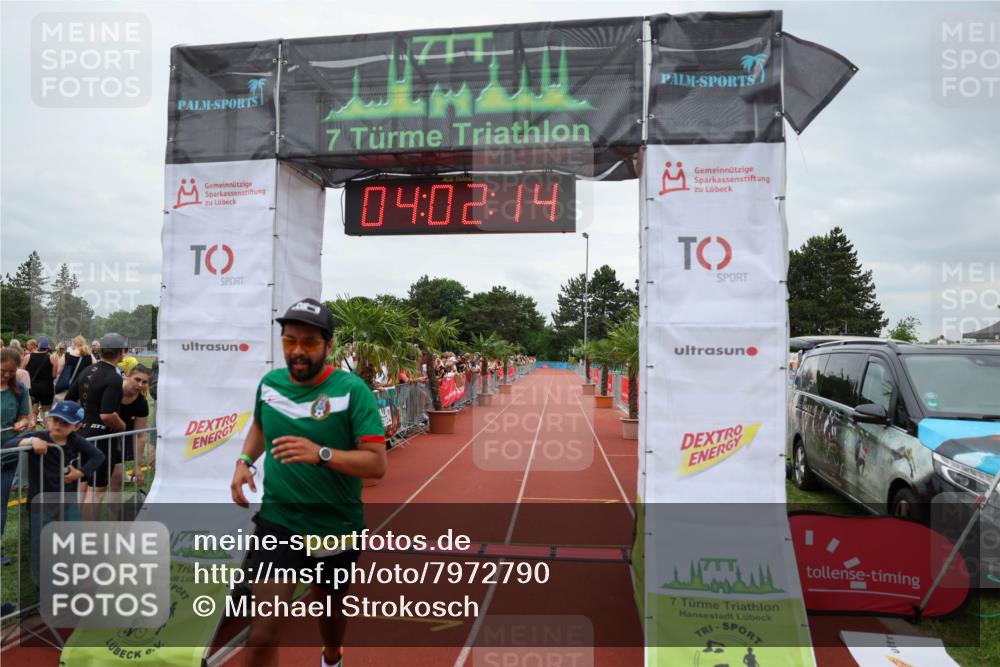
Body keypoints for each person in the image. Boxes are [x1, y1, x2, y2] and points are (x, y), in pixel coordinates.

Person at [231, 297, 386, 667]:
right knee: (262, 632)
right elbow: (260, 425)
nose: (297, 351)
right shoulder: (269, 384)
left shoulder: (352, 392)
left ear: (328, 345)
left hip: (336, 525)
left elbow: (377, 464)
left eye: (309, 342)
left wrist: (321, 453)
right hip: (279, 521)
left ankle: (332, 656)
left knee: (330, 611)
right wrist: (244, 461)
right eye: (290, 341)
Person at [5, 400, 105, 585]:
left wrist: (80, 472)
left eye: (65, 422)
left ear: (76, 426)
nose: (59, 425)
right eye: (56, 420)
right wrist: (30, 440)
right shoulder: (39, 436)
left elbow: (98, 456)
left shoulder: (76, 441)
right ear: (48, 420)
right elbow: (8, 445)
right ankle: (41, 588)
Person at [66, 332, 127, 515]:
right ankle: (87, 537)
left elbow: (68, 401)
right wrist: (123, 427)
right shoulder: (114, 377)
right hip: (101, 440)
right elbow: (107, 415)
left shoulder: (87, 370)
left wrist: (81, 421)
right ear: (122, 353)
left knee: (83, 487)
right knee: (96, 492)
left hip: (81, 436)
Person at [1, 348, 33, 574]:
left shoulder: (19, 390)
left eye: (11, 372)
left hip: (7, 455)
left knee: (1, 505)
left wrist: (23, 423)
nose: (6, 375)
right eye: (3, 371)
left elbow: (25, 416)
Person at [117, 365, 150, 488]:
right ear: (127, 377)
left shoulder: (142, 403)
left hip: (122, 437)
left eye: (144, 382)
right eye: (137, 379)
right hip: (100, 431)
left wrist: (137, 466)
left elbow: (140, 435)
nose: (140, 385)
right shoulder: (112, 390)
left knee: (117, 477)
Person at [23, 336, 57, 420]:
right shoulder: (52, 357)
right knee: (47, 411)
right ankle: (47, 430)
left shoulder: (27, 357)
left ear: (37, 345)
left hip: (32, 387)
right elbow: (54, 375)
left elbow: (23, 374)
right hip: (47, 388)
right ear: (47, 346)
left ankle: (33, 429)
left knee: (33, 412)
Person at [54, 336, 94, 403]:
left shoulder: (66, 355)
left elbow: (58, 372)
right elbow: (95, 366)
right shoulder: (89, 357)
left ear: (74, 344)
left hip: (66, 389)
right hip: (82, 390)